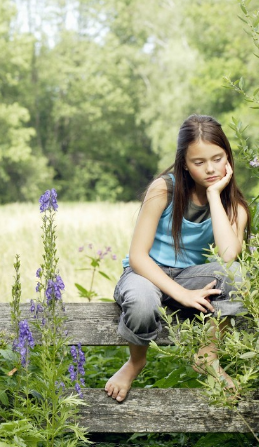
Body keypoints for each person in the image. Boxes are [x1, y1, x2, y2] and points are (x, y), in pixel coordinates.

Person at [106, 114, 250, 402]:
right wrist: (181, 294)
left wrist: (213, 195)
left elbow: (228, 256)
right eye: (199, 162)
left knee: (236, 274)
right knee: (142, 302)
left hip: (193, 275)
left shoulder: (234, 206)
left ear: (228, 157)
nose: (210, 168)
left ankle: (208, 356)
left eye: (217, 158)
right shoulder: (163, 189)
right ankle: (135, 361)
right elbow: (137, 256)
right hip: (145, 274)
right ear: (184, 162)